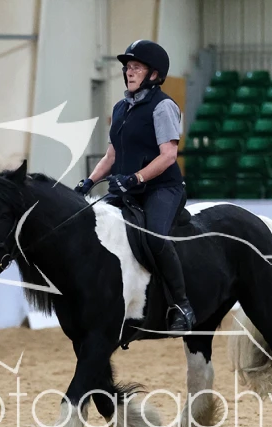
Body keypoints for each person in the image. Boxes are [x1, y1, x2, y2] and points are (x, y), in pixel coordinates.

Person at [76, 39, 196, 333]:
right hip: (125, 189)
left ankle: (182, 305)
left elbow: (168, 156)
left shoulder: (163, 107)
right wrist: (89, 182)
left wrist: (137, 177)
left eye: (137, 67)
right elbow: (111, 156)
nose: (129, 72)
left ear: (154, 74)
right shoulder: (120, 108)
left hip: (161, 189)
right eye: (128, 67)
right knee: (90, 225)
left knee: (155, 237)